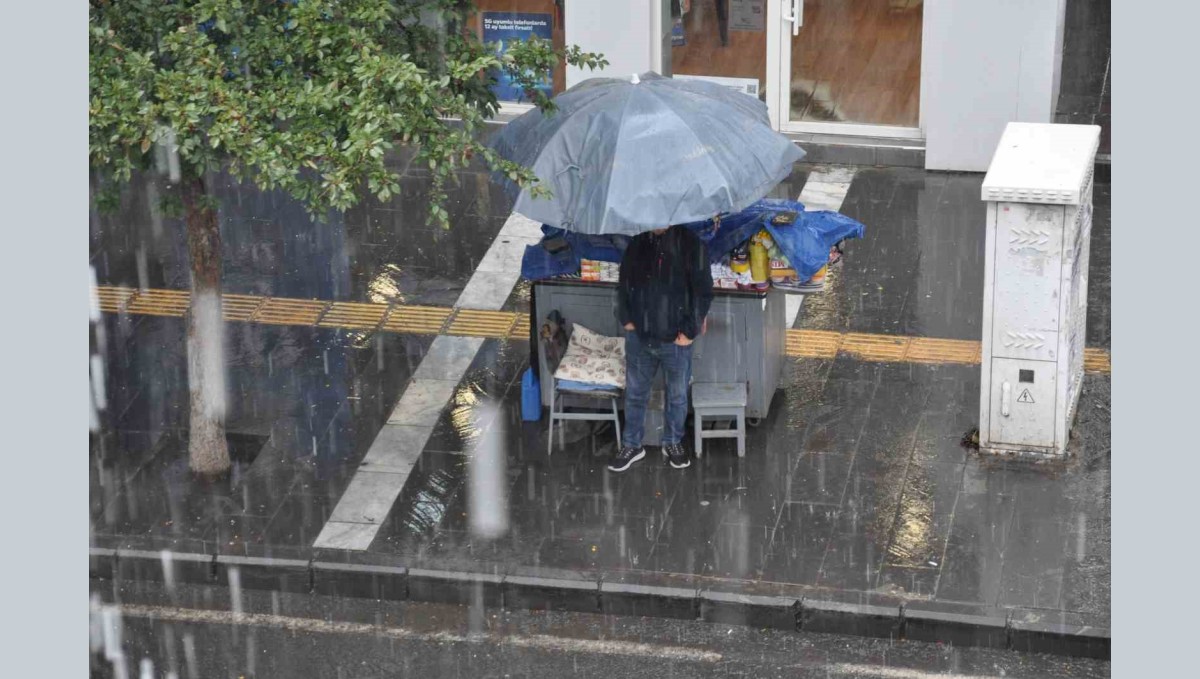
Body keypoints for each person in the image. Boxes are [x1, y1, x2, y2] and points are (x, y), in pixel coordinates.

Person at [609, 225, 713, 472]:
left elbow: (703, 292)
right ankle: (632, 444)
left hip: (675, 340)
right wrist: (627, 320)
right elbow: (623, 284)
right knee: (635, 393)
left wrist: (688, 332)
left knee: (677, 396)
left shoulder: (691, 244)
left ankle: (673, 441)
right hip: (640, 337)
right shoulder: (637, 244)